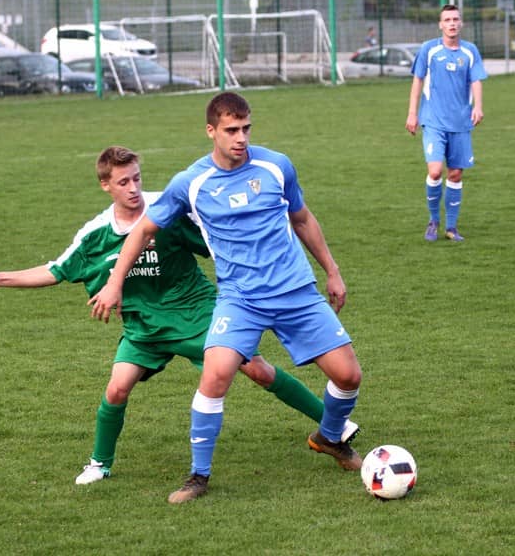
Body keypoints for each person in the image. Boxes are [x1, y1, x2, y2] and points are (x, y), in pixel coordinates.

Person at [0, 146, 356, 486]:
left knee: (256, 368)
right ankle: (99, 464)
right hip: (145, 327)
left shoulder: (168, 210)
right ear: (105, 186)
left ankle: (332, 427)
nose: (133, 188)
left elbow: (217, 238)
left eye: (137, 178)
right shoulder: (96, 233)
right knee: (117, 388)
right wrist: (1, 278)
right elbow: (56, 270)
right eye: (123, 182)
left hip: (195, 312)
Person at [90, 93, 363, 504]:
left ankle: (329, 437)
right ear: (211, 131)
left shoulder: (276, 166)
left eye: (246, 128)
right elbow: (144, 230)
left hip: (294, 290)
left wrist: (333, 270)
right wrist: (114, 283)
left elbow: (302, 218)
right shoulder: (191, 183)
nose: (241, 138)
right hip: (240, 299)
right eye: (232, 130)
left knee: (349, 376)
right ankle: (198, 477)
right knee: (215, 377)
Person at [405, 4, 487, 242]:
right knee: (435, 171)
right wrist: (412, 113)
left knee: (456, 174)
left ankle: (451, 227)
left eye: (455, 19)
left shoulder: (470, 51)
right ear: (440, 25)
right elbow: (417, 81)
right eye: (447, 20)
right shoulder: (429, 49)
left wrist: (478, 106)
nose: (452, 23)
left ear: (461, 23)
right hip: (433, 121)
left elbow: (476, 80)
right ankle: (433, 221)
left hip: (460, 122)